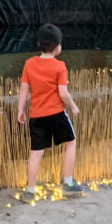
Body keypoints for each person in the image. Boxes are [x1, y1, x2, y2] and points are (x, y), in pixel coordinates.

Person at [16, 23, 83, 201]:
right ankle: (68, 183)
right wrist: (73, 106)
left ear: (39, 43)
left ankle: (30, 190)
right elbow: (62, 93)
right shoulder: (59, 66)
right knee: (71, 142)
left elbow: (23, 88)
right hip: (56, 114)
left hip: (37, 115)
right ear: (57, 47)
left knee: (36, 152)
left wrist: (20, 109)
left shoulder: (29, 64)